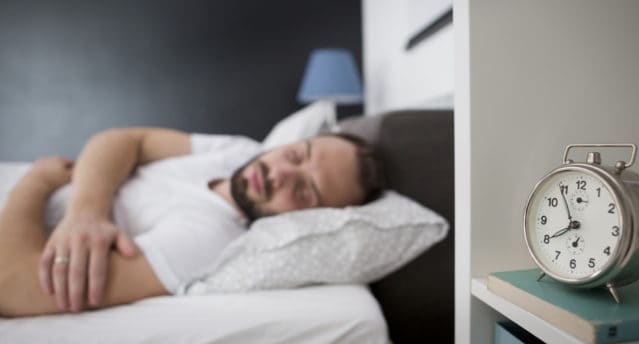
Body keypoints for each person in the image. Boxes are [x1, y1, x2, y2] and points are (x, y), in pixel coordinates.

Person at [0, 127, 384, 318]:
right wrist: (86, 212)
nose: (279, 172)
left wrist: (36, 181)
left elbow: (11, 286)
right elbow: (126, 139)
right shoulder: (242, 151)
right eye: (297, 154)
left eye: (304, 193)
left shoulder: (207, 239)